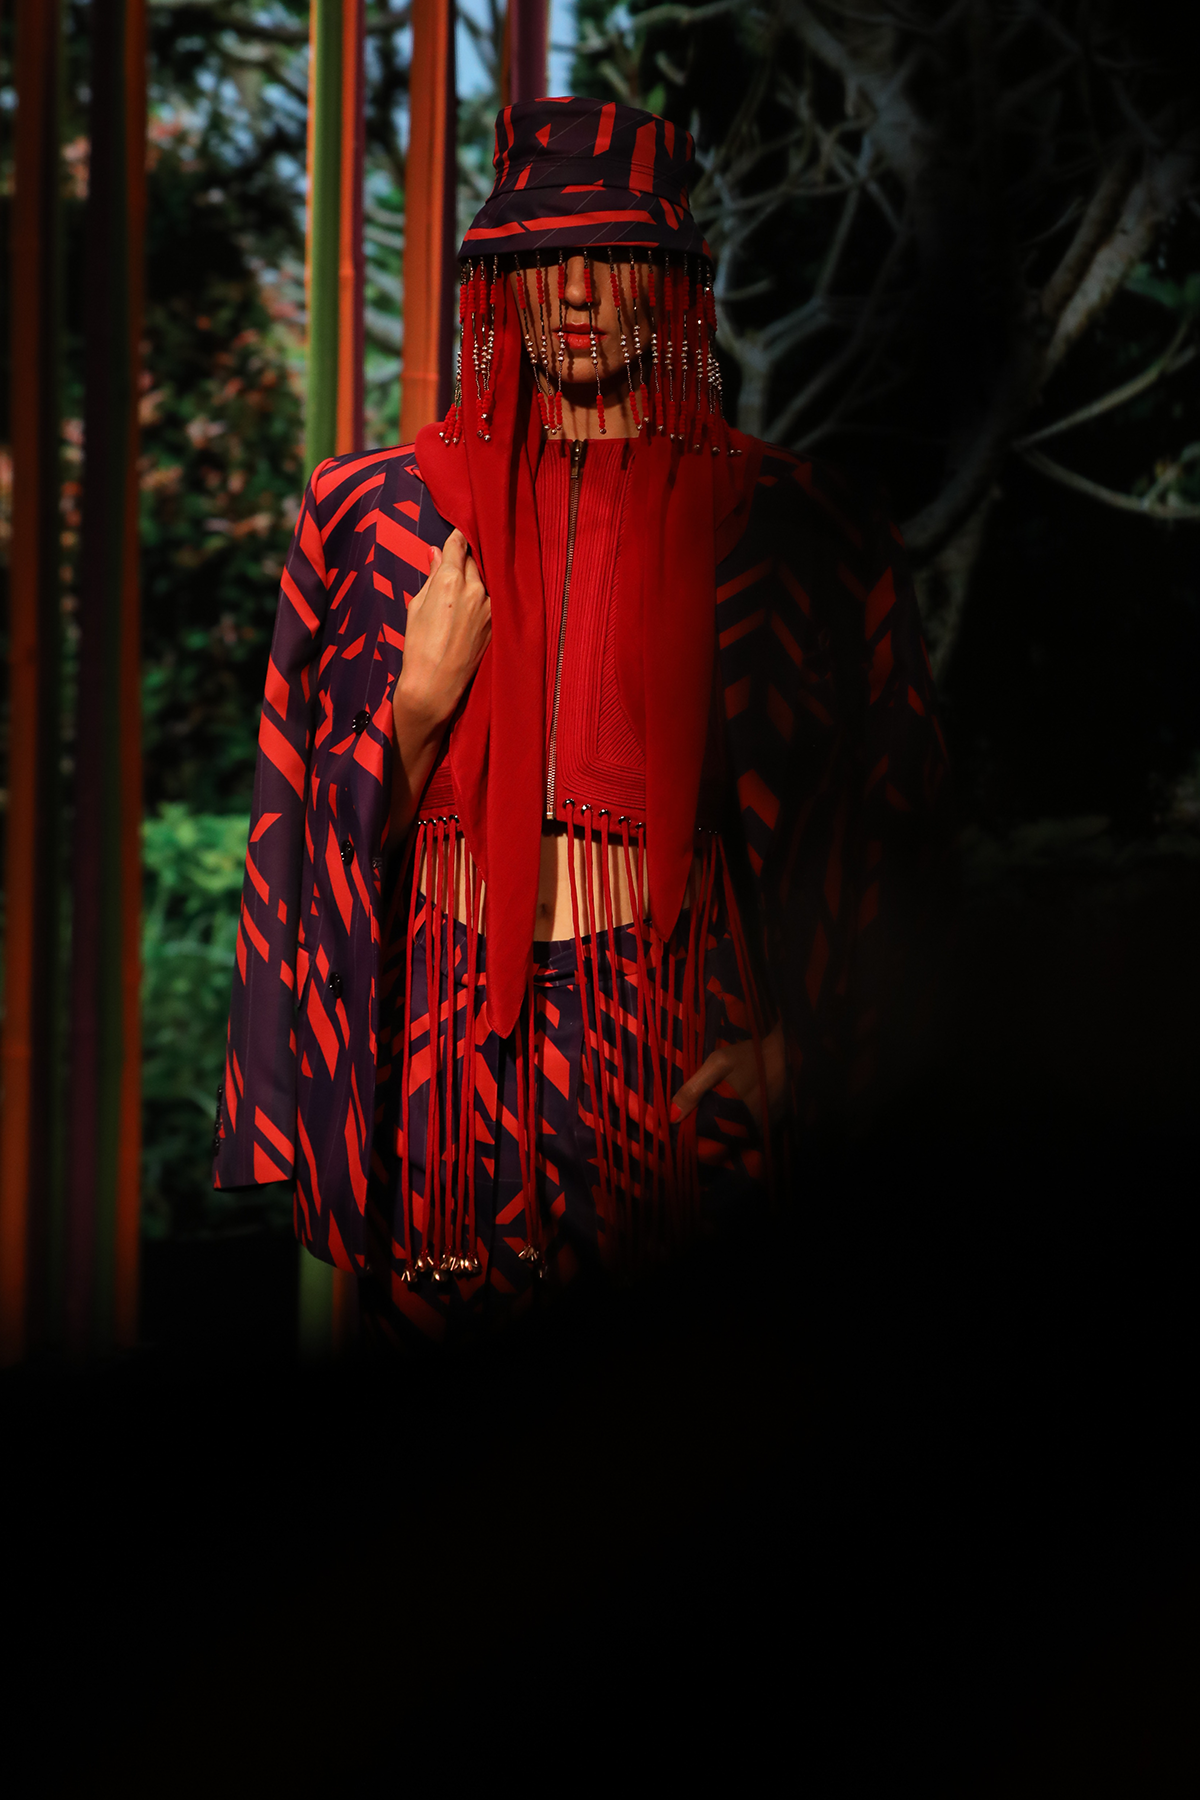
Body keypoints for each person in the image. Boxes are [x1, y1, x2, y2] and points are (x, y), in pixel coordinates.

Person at [213, 97, 949, 1345]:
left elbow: (895, 816)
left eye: (610, 255)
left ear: (672, 281)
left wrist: (812, 1050)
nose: (572, 291)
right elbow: (307, 843)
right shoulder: (373, 512)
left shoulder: (791, 519)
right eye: (539, 256)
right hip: (441, 1044)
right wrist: (416, 712)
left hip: (675, 1044)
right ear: (498, 280)